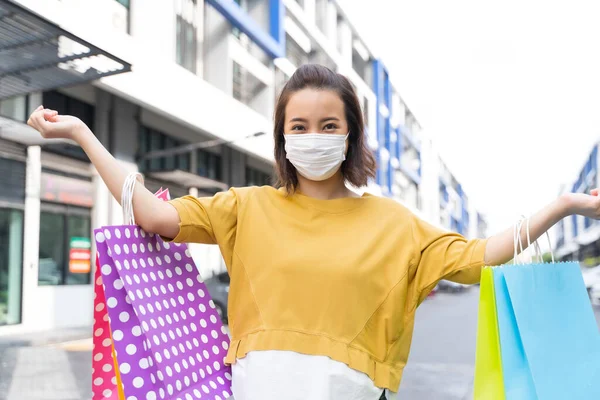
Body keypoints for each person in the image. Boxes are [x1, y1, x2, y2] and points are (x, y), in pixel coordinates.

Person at [27, 64, 600, 400]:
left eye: (329, 124)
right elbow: (151, 215)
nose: (314, 136)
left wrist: (564, 205)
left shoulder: (394, 223)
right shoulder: (244, 207)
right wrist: (82, 132)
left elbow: (481, 258)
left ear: (350, 136)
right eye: (299, 126)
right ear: (282, 138)